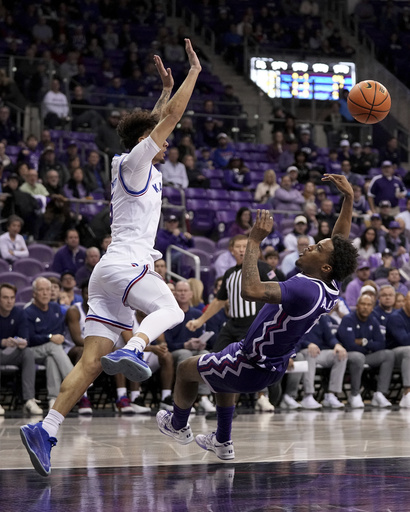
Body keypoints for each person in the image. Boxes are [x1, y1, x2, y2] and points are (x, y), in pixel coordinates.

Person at [20, 39, 202, 477]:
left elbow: (159, 119)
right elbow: (169, 120)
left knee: (91, 362)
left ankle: (46, 428)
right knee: (172, 308)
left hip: (106, 277)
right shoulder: (136, 162)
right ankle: (139, 349)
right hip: (125, 266)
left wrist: (163, 90)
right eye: (160, 137)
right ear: (146, 140)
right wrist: (194, 72)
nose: (168, 141)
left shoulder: (136, 162)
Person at [156, 173, 358, 460]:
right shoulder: (332, 283)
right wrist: (349, 199)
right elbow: (338, 243)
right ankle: (223, 441)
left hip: (250, 364)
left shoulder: (304, 288)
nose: (312, 245)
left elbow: (250, 289)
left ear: (325, 266)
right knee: (220, 372)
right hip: (265, 363)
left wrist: (253, 241)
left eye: (318, 248)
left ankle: (177, 425)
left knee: (186, 369)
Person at [337, 294, 394, 408]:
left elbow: (381, 344)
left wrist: (364, 342)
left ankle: (380, 394)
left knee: (388, 354)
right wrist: (368, 346)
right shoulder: (348, 319)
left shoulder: (373, 320)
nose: (365, 307)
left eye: (369, 305)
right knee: (358, 357)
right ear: (357, 306)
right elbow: (350, 345)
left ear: (372, 308)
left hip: (366, 355)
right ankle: (354, 394)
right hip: (349, 356)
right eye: (363, 304)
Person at [25, 278, 74, 410]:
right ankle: (74, 379)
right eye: (41, 290)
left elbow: (59, 331)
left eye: (48, 289)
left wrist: (51, 337)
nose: (46, 293)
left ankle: (53, 399)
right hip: (31, 352)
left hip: (51, 351)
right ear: (34, 293)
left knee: (51, 358)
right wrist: (49, 337)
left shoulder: (55, 308)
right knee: (53, 346)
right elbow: (30, 339)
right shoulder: (28, 311)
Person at [281, 313, 347, 410]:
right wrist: (308, 344)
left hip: (321, 351)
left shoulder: (321, 317)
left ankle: (331, 395)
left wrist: (337, 344)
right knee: (310, 353)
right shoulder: (298, 316)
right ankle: (308, 395)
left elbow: (330, 337)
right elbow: (296, 337)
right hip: (304, 349)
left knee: (341, 355)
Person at [0, 284, 43, 416]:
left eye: (12, 297)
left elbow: (25, 337)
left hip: (11, 352)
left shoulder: (19, 313)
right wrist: (2, 341)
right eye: (5, 297)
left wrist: (20, 342)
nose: (9, 301)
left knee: (27, 352)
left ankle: (29, 399)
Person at [386, 291, 410, 408]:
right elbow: (404, 340)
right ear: (405, 301)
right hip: (394, 354)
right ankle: (407, 393)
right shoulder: (395, 317)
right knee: (409, 350)